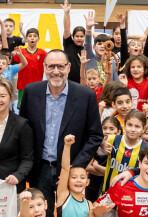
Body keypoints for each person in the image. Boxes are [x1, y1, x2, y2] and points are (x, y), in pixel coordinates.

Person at [19, 48, 104, 202]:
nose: (56, 71)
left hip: (72, 169)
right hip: (40, 168)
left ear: (69, 67)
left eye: (60, 66)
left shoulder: (86, 96)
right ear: (44, 68)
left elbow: (95, 135)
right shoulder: (31, 91)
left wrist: (76, 166)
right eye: (51, 66)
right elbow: (23, 129)